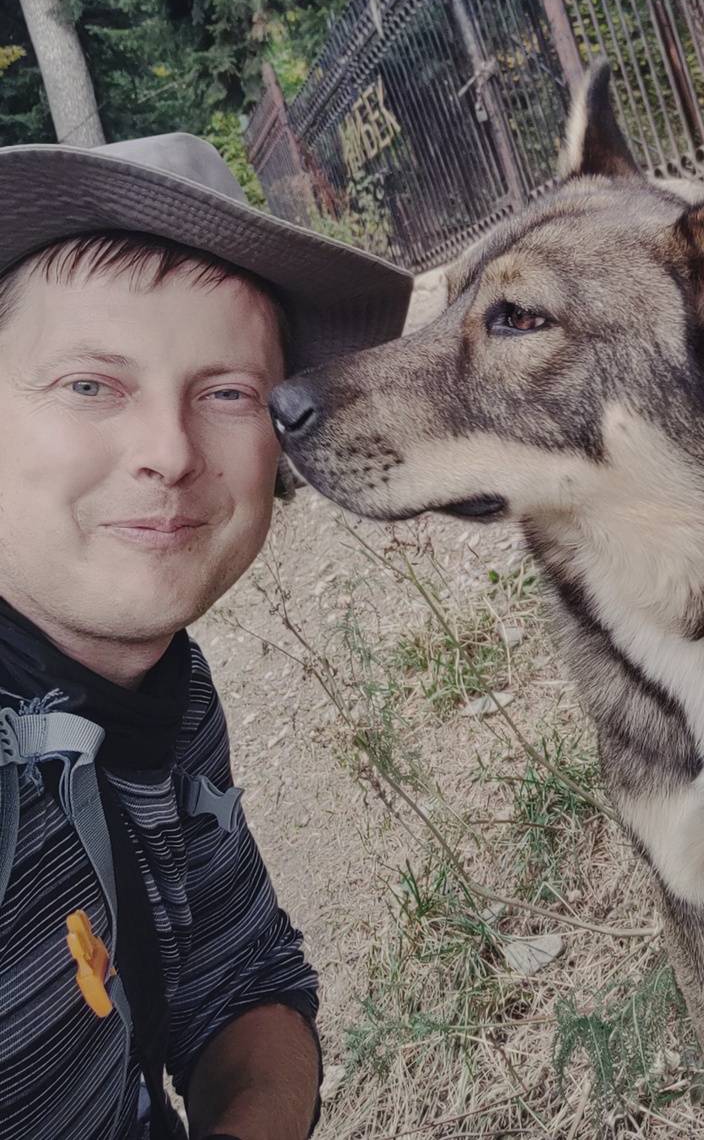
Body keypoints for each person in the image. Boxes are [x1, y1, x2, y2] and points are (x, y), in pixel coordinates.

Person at [0, 133, 411, 1139]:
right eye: (90, 385)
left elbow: (237, 976)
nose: (171, 452)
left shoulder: (161, 690)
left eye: (227, 393)